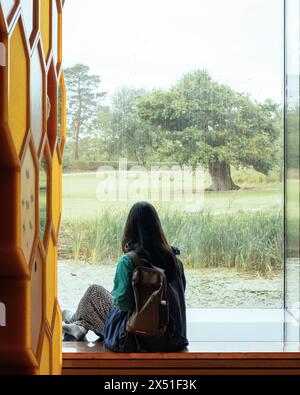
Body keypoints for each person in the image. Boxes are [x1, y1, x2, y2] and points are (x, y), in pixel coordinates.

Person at [62, 201, 188, 352]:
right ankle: (79, 322)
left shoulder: (129, 261)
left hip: (136, 338)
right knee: (109, 294)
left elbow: (124, 304)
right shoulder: (175, 261)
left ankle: (78, 322)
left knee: (94, 292)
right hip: (172, 337)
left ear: (130, 228)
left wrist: (113, 297)